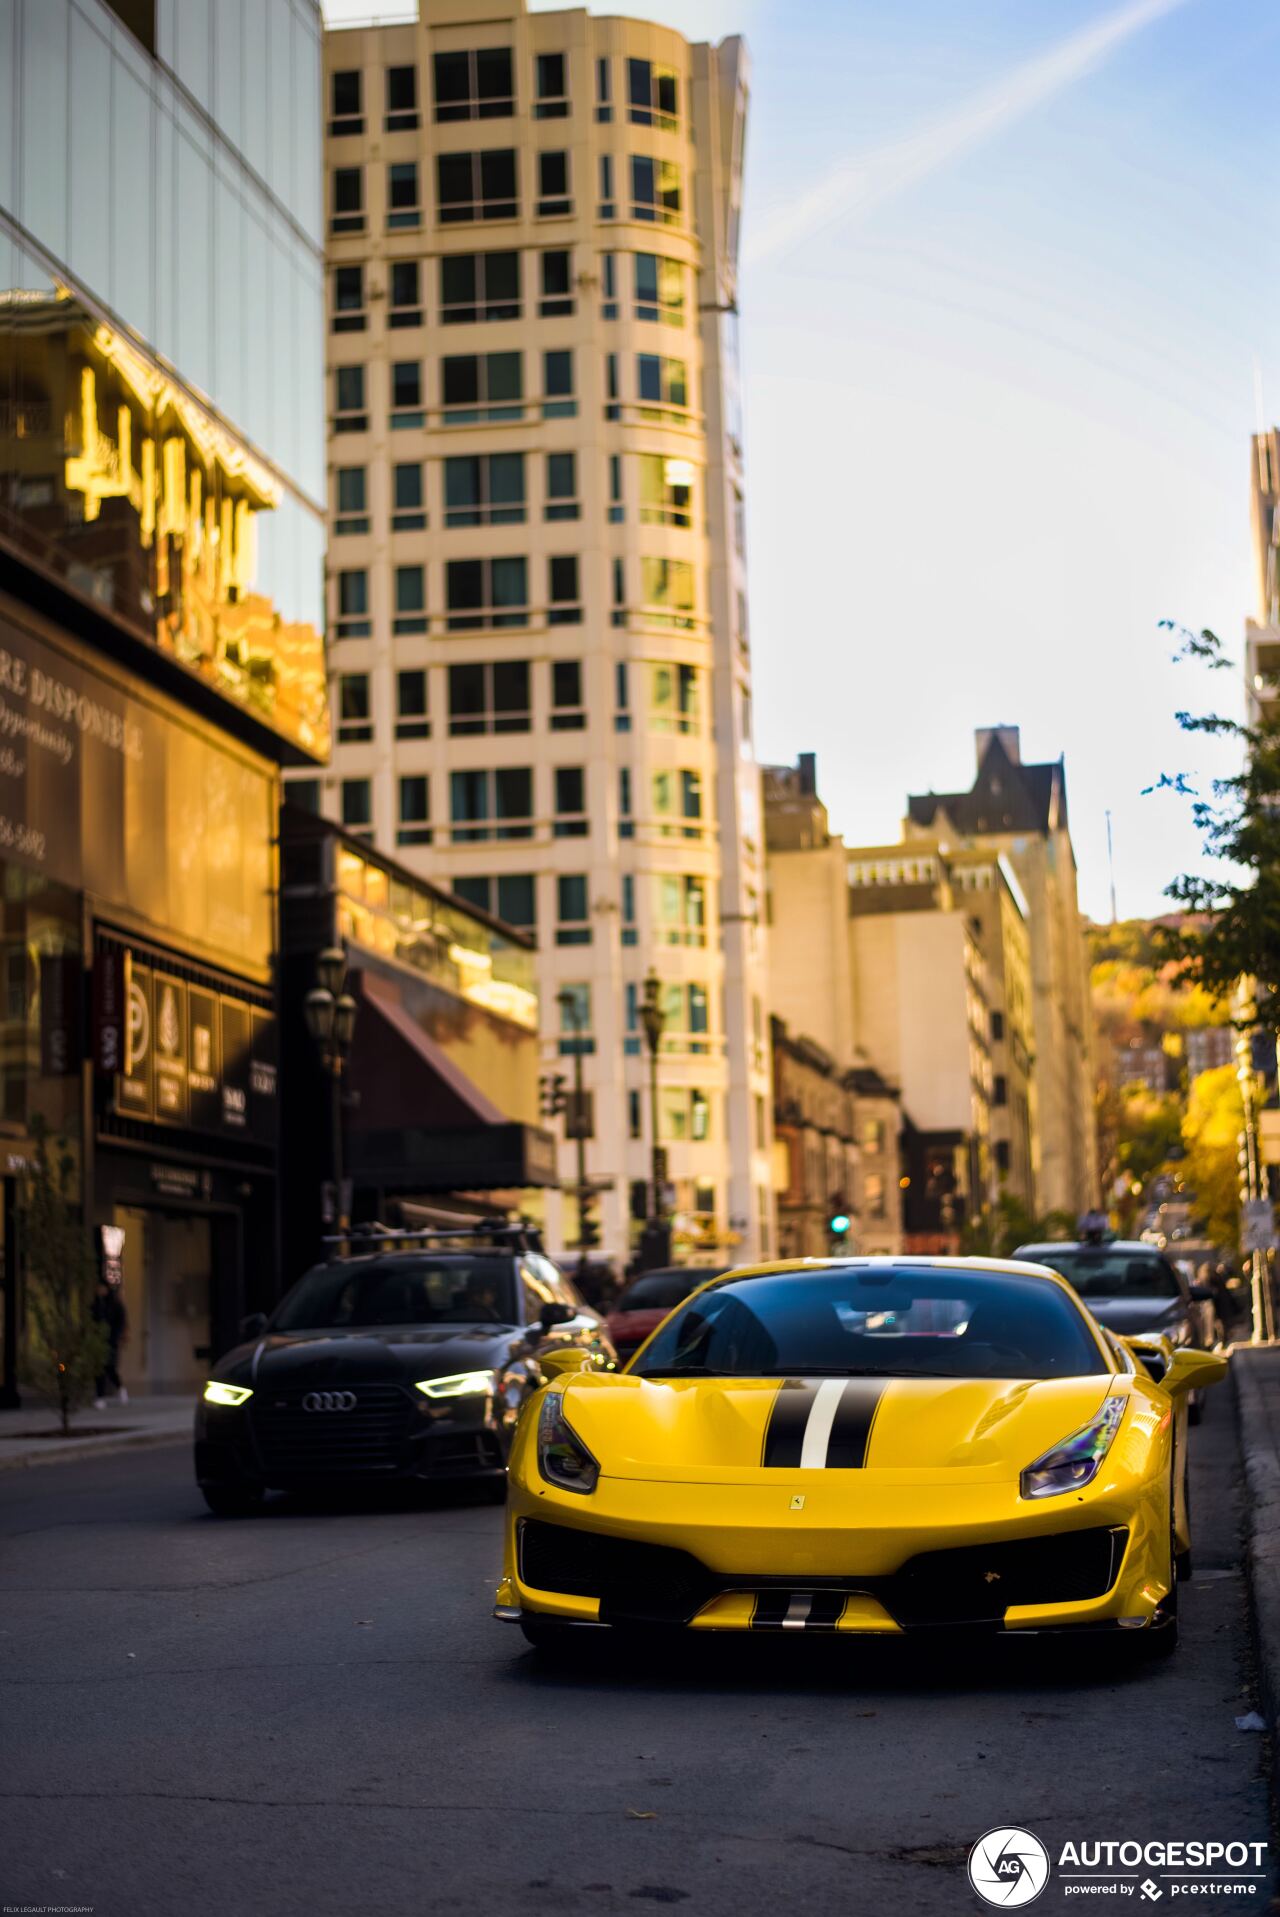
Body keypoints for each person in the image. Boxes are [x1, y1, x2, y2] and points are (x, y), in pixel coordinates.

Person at [91, 1278, 128, 1409]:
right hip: (98, 1342)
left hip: (111, 1341)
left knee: (110, 1368)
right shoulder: (96, 1304)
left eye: (102, 1288)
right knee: (99, 1369)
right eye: (98, 1288)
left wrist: (115, 1337)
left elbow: (121, 1322)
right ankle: (99, 1397)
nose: (100, 1290)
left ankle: (120, 1388)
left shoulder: (115, 1305)